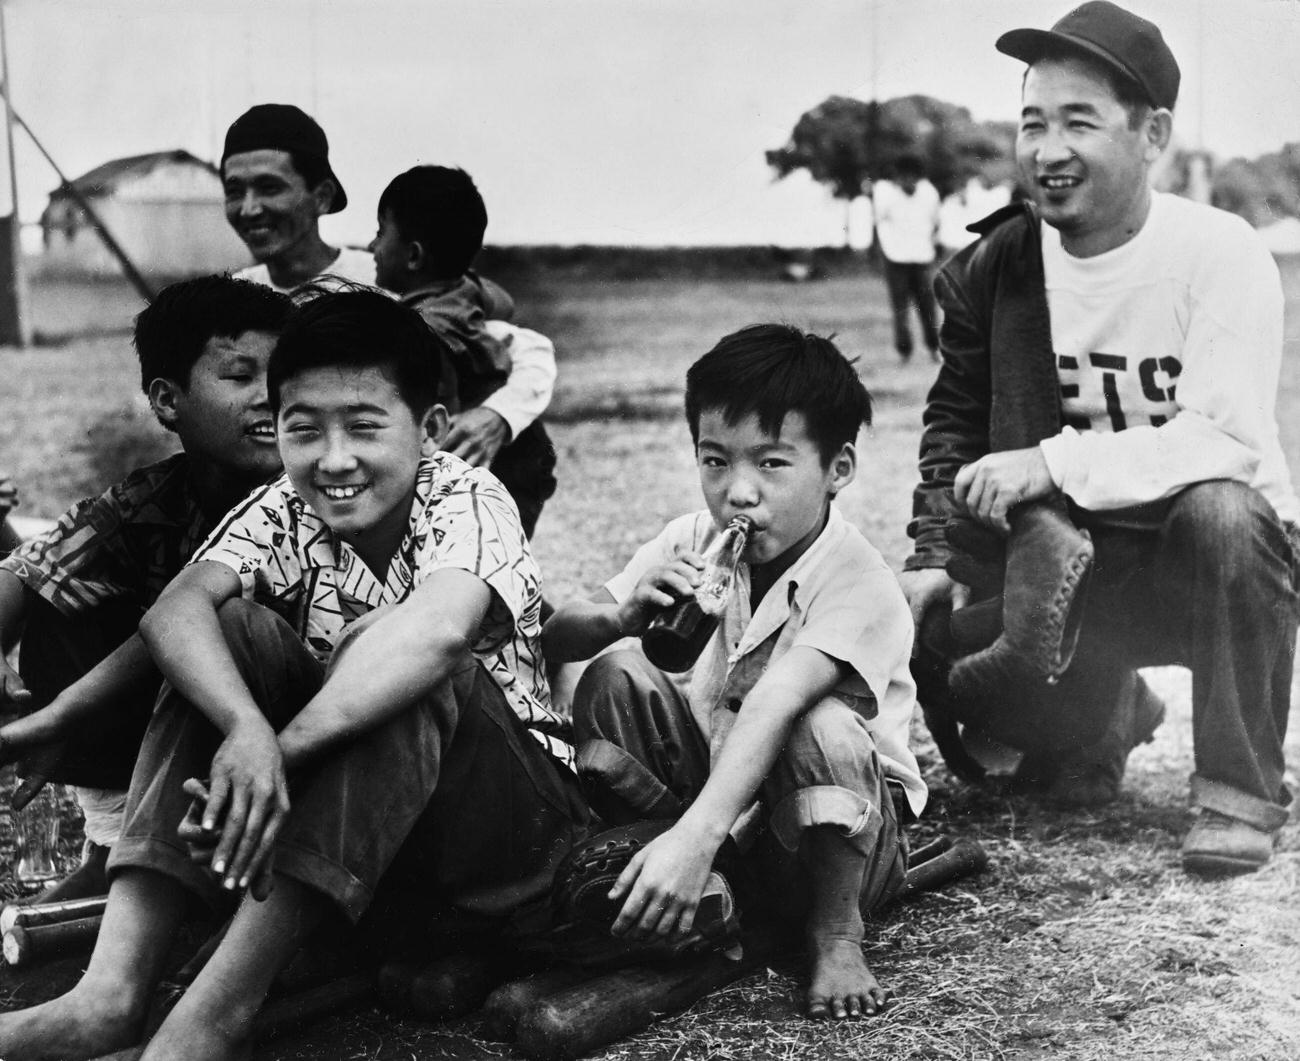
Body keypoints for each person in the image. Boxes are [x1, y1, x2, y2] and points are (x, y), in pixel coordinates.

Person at [0, 289, 588, 1061]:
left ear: (431, 428)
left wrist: (281, 749)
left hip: (509, 842)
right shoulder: (284, 504)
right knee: (227, 627)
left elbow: (440, 631)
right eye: (303, 429)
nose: (333, 458)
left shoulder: (467, 493)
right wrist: (245, 727)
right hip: (368, 843)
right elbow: (174, 614)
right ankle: (107, 996)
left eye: (365, 427)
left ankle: (205, 1022)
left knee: (402, 654)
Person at [899, 0, 1299, 876]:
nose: (1048, 150)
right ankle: (1108, 709)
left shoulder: (1220, 253)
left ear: (1152, 134)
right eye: (1032, 122)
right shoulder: (993, 265)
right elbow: (956, 421)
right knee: (978, 694)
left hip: (1215, 565)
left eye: (1079, 122)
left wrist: (1051, 460)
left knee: (1222, 513)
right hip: (1065, 563)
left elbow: (1223, 439)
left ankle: (1240, 790)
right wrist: (932, 552)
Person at [545, 324, 926, 1020]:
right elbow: (559, 635)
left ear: (838, 468)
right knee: (618, 672)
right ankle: (675, 879)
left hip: (839, 834)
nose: (738, 493)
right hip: (726, 801)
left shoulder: (860, 580)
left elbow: (778, 701)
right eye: (715, 460)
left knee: (822, 720)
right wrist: (622, 613)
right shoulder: (693, 539)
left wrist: (696, 836)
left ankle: (835, 930)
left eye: (772, 465)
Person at [0, 276, 291, 901]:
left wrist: (66, 711)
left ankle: (184, 875)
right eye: (240, 377)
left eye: (285, 374)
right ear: (166, 401)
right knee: (64, 601)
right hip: (199, 726)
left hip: (291, 731)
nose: (271, 397)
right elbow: (30, 570)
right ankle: (110, 842)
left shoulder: (310, 495)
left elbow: (189, 629)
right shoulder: (153, 497)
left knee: (212, 627)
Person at [369, 165, 558, 537]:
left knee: (480, 558)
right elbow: (502, 301)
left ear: (413, 256)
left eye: (380, 233)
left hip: (499, 463)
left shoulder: (425, 331)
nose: (372, 247)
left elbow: (444, 413)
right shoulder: (469, 289)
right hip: (527, 451)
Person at [221, 103, 375, 292]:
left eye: (269, 188)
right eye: (234, 192)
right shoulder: (233, 297)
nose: (248, 210)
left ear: (322, 198)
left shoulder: (379, 283)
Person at [872, 155, 941, 361]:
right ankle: (904, 351)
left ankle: (933, 347)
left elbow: (936, 223)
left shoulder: (929, 194)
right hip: (895, 258)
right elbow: (878, 224)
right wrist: (880, 254)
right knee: (900, 307)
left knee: (927, 306)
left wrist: (931, 248)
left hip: (921, 257)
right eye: (903, 177)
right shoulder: (886, 194)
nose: (907, 182)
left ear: (918, 177)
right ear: (897, 177)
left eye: (911, 177)